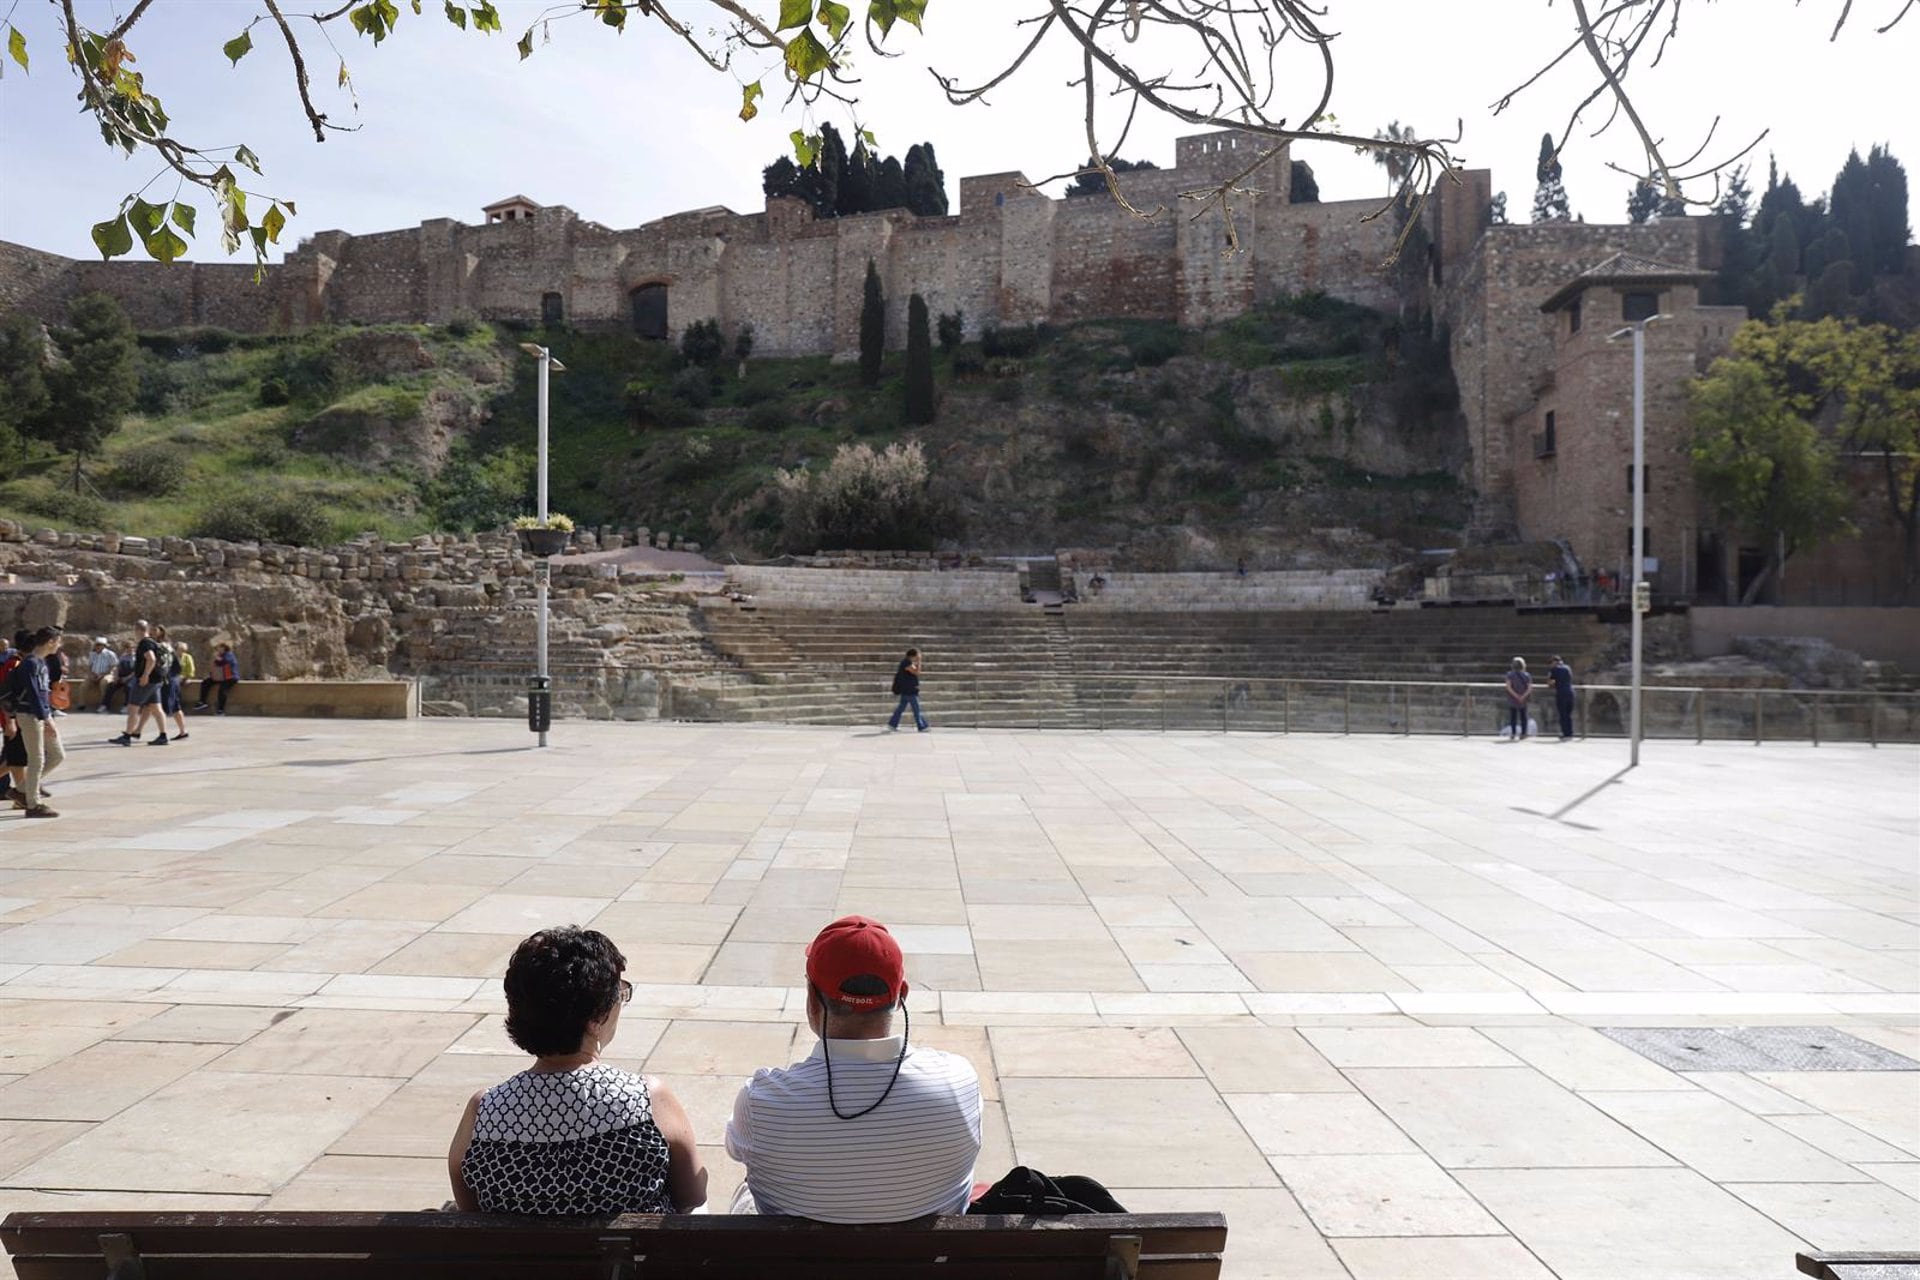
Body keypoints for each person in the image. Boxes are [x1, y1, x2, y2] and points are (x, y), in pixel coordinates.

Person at [725, 915, 981, 1222]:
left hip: (799, 1267)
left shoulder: (761, 1101)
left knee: (746, 1189)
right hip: (923, 1267)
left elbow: (736, 1148)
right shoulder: (959, 1080)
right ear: (902, 996)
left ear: (812, 999)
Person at [448, 926, 705, 1216]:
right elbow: (692, 1196)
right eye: (620, 994)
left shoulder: (483, 1112)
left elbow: (470, 1208)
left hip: (519, 1261)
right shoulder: (648, 1099)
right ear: (596, 1017)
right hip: (628, 1261)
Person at [5, 626, 65, 818]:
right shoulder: (31, 663)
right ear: (50, 642)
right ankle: (33, 804)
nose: (59, 645)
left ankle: (21, 790)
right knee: (36, 759)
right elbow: (33, 693)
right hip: (29, 715)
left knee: (56, 755)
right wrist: (47, 719)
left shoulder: (41, 662)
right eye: (58, 641)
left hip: (38, 714)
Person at [111, 620, 168, 747]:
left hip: (147, 680)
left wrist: (145, 675)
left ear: (138, 630)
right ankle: (163, 736)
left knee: (133, 707)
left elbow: (151, 659)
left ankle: (127, 736)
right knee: (156, 708)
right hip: (157, 680)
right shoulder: (153, 642)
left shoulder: (144, 643)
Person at [888, 648, 928, 733]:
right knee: (916, 709)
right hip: (909, 690)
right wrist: (919, 661)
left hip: (908, 690)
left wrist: (917, 662)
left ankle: (892, 724)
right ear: (913, 655)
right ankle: (922, 726)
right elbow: (916, 672)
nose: (918, 656)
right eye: (917, 655)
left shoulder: (908, 662)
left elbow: (916, 671)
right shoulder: (906, 662)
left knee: (901, 708)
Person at [196, 643, 239, 714]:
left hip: (230, 677)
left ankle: (220, 710)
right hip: (221, 677)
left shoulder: (229, 654)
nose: (217, 650)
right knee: (206, 682)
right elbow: (217, 664)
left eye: (218, 648)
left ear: (223, 647)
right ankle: (202, 702)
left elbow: (225, 662)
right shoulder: (220, 656)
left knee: (222, 690)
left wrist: (217, 658)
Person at [81, 637, 116, 712]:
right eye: (96, 645)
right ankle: (82, 704)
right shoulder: (92, 654)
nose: (97, 646)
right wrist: (91, 674)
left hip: (106, 674)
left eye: (99, 645)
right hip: (94, 674)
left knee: (104, 683)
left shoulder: (110, 654)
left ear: (104, 646)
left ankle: (103, 704)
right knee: (84, 685)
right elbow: (89, 666)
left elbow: (114, 667)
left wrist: (102, 674)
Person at [1503, 656, 1533, 740]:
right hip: (1524, 699)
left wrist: (1516, 695)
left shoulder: (1510, 675)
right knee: (1524, 717)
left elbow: (1508, 687)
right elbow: (1529, 687)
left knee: (1513, 717)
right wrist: (1523, 696)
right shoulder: (1527, 675)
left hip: (1513, 699)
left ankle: (1513, 733)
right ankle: (1523, 733)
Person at [1548, 655, 1576, 741]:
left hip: (1561, 694)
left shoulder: (1554, 670)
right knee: (1568, 714)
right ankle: (1570, 733)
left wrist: (1549, 675)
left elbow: (1550, 683)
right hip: (1571, 692)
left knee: (1563, 714)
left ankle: (1565, 733)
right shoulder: (1568, 668)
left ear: (1554, 662)